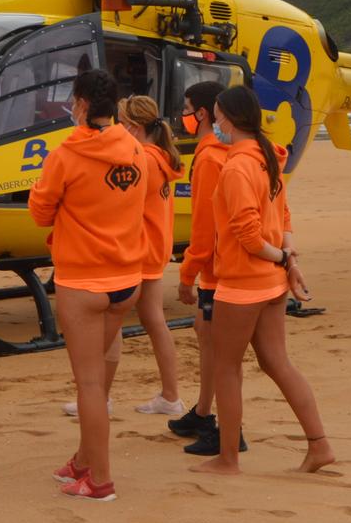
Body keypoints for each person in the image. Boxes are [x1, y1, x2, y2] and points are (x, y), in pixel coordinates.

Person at [195, 83, 330, 478]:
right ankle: (319, 444)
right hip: (271, 282)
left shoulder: (237, 166)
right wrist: (287, 261)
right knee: (277, 363)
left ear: (231, 119)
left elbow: (249, 236)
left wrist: (284, 257)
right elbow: (283, 218)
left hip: (244, 282)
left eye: (217, 115)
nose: (214, 122)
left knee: (226, 367)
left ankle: (227, 458)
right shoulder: (268, 156)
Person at [31, 69, 150, 501]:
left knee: (90, 385)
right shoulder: (135, 148)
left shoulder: (66, 154)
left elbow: (41, 212)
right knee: (98, 373)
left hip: (83, 280)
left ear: (81, 104)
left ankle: (100, 480)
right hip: (125, 279)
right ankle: (83, 460)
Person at [169, 81, 229, 442]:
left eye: (188, 108)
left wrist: (187, 273)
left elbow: (204, 227)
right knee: (206, 336)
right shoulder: (236, 152)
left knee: (216, 345)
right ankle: (204, 410)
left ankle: (218, 424)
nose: (184, 115)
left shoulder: (209, 157)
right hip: (236, 267)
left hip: (217, 271)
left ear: (203, 114)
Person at [119, 94, 185, 417]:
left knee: (109, 319)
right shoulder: (159, 155)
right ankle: (170, 396)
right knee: (154, 320)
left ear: (132, 127)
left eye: (121, 124)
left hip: (140, 250)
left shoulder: (142, 158)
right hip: (156, 247)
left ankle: (97, 396)